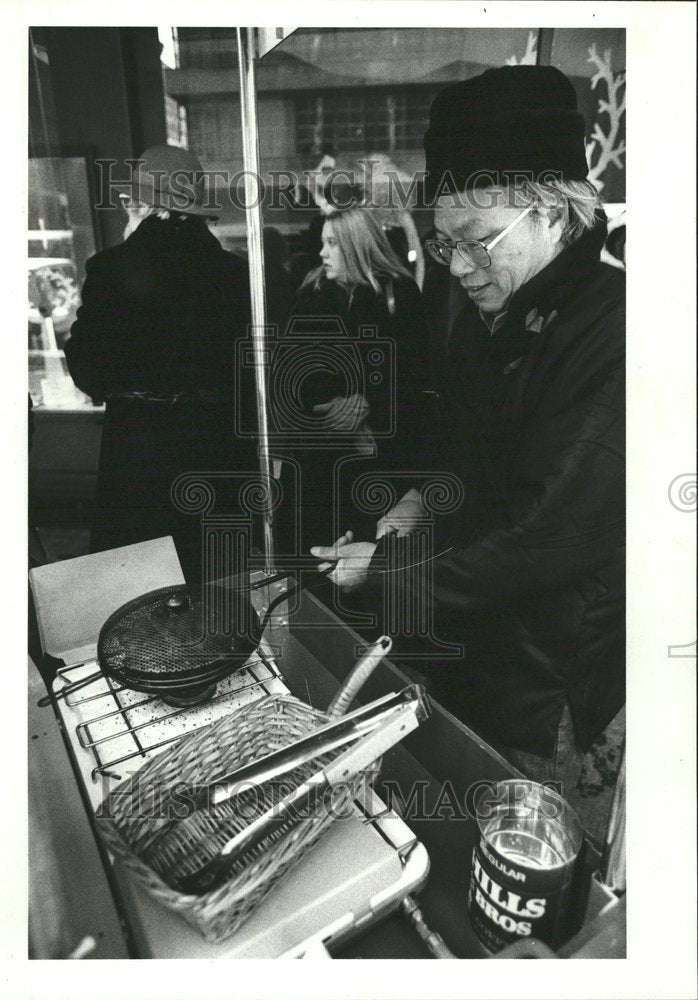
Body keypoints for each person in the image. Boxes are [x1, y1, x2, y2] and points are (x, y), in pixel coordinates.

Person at [311, 66, 625, 821]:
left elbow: (547, 535)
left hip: (549, 677)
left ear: (554, 215)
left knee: (524, 845)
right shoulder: (492, 312)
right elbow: (470, 453)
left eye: (477, 242)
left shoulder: (616, 331)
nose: (457, 266)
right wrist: (419, 502)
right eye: (447, 243)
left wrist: (388, 573)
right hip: (473, 639)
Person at [64, 144, 253, 582]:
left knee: (138, 600)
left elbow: (88, 369)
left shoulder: (111, 268)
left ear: (144, 206)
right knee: (219, 591)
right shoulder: (234, 273)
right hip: (219, 453)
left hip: (139, 455)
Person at [278, 206, 428, 555]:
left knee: (370, 557)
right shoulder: (311, 296)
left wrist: (368, 404)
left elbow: (418, 376)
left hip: (384, 458)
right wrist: (330, 406)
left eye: (332, 243)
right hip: (318, 460)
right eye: (322, 243)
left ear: (357, 245)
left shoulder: (399, 296)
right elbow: (289, 371)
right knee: (311, 554)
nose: (322, 252)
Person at [360, 153, 426, 291]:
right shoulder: (367, 214)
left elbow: (417, 257)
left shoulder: (401, 215)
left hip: (396, 282)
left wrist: (417, 289)